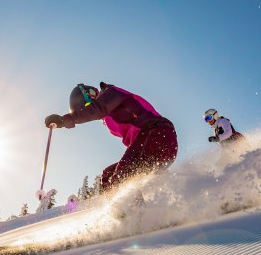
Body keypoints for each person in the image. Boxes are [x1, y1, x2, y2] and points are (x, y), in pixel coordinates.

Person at [45, 82, 178, 193]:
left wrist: (65, 120)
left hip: (157, 132)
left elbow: (97, 109)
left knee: (121, 176)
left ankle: (135, 216)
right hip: (151, 144)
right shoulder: (107, 118)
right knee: (109, 176)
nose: (89, 107)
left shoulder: (110, 93)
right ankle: (128, 213)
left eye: (87, 105)